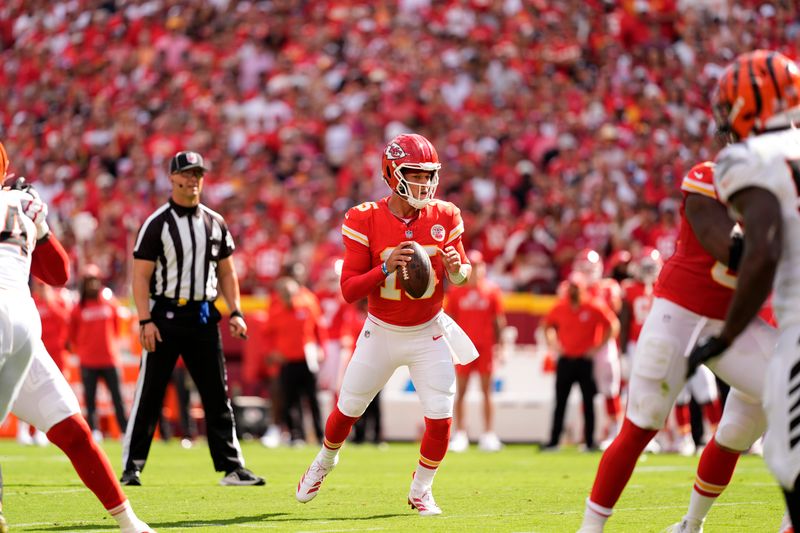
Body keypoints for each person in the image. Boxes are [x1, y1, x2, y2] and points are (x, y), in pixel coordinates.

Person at [578, 159, 777, 533]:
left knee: (743, 425)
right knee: (644, 421)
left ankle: (692, 524)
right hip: (679, 315)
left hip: (734, 320)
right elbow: (728, 248)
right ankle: (590, 528)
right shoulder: (709, 177)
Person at [295, 133, 475, 515]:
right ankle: (325, 460)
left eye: (429, 175)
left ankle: (421, 489)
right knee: (347, 409)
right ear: (392, 173)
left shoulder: (446, 214)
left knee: (441, 417)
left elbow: (461, 274)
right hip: (381, 330)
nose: (424, 183)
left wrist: (459, 271)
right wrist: (384, 269)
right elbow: (348, 290)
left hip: (428, 330)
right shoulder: (365, 217)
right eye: (415, 173)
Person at [0, 150, 152, 532]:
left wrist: (42, 230)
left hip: (14, 326)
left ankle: (128, 521)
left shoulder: (18, 203)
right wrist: (42, 226)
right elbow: (59, 273)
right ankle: (130, 523)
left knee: (73, 429)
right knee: (75, 432)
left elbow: (59, 275)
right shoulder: (22, 202)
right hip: (23, 327)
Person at [684, 50, 800, 530]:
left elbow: (762, 253)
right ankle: (691, 523)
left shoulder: (749, 159)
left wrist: (728, 334)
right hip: (780, 322)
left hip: (787, 325)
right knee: (734, 430)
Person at [123, 150, 263, 487]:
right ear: (172, 178)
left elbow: (228, 273)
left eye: (198, 174)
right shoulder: (157, 223)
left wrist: (237, 311)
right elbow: (140, 277)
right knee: (150, 394)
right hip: (165, 316)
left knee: (217, 395)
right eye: (187, 174)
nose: (193, 180)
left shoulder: (215, 223)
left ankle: (232, 467)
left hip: (202, 317)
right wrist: (145, 320)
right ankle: (132, 467)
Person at [541, 272, 619, 451]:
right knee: (560, 402)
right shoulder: (561, 307)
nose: (573, 291)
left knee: (588, 402)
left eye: (576, 287)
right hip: (566, 359)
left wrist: (597, 348)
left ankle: (589, 440)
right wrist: (554, 345)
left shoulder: (593, 306)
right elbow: (547, 326)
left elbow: (613, 325)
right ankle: (554, 440)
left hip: (584, 360)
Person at [446, 250, 507, 453]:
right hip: (463, 348)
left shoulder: (492, 291)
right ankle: (461, 433)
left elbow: (499, 322)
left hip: (485, 347)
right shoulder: (456, 292)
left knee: (486, 391)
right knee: (461, 392)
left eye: (479, 265)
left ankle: (488, 434)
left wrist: (501, 347)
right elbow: (449, 320)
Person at [263, 276, 327, 445]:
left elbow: (319, 328)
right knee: (291, 400)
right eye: (284, 293)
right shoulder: (276, 312)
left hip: (307, 359)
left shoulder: (307, 306)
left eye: (290, 293)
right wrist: (273, 352)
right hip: (287, 361)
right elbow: (266, 334)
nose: (287, 296)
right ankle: (296, 435)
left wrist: (321, 348)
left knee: (313, 399)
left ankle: (321, 436)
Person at [69, 264, 128, 441]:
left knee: (118, 398)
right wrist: (82, 350)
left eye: (95, 280)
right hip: (88, 360)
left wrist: (112, 345)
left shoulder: (109, 300)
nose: (93, 285)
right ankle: (94, 431)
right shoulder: (78, 307)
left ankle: (125, 431)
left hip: (110, 358)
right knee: (90, 399)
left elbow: (118, 325)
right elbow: (72, 334)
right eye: (89, 281)